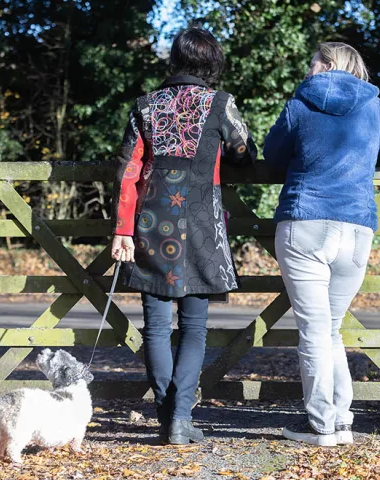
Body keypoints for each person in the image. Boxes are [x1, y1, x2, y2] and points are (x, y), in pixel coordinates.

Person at [109, 27, 257, 445]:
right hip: (201, 225)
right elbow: (244, 155)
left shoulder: (145, 106)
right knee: (194, 329)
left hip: (151, 225)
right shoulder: (221, 104)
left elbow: (127, 169)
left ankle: (165, 416)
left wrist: (122, 228)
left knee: (155, 329)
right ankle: (180, 418)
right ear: (212, 64)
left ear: (174, 60)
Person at [263, 42, 380, 446]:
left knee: (315, 331)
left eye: (312, 61)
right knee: (330, 330)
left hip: (305, 222)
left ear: (327, 64)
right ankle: (340, 420)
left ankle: (320, 425)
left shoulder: (300, 102)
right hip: (356, 228)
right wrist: (365, 162)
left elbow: (272, 155)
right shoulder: (373, 105)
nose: (308, 68)